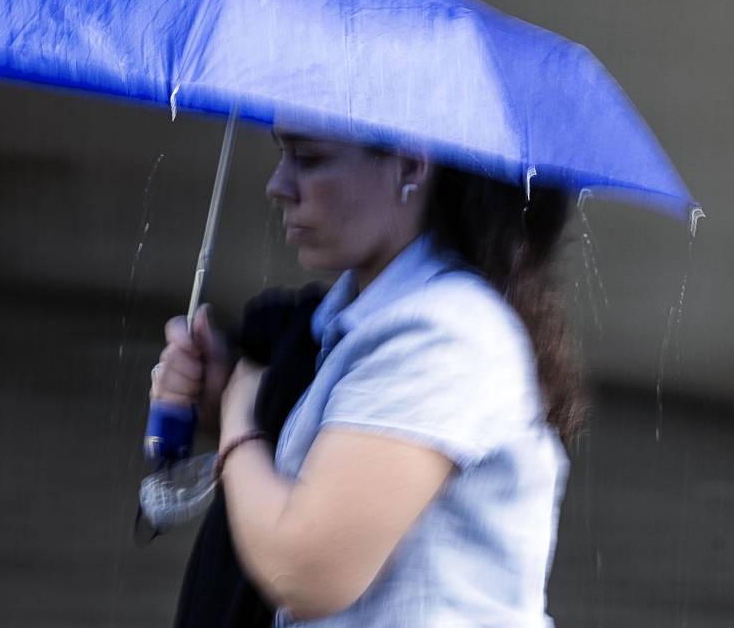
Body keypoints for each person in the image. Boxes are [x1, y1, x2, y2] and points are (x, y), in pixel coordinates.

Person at [151, 129, 585, 627]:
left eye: (309, 159)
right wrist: (222, 401)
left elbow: (305, 570)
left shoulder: (444, 332)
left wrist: (237, 416)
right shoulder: (356, 317)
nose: (277, 185)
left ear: (409, 167)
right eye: (281, 155)